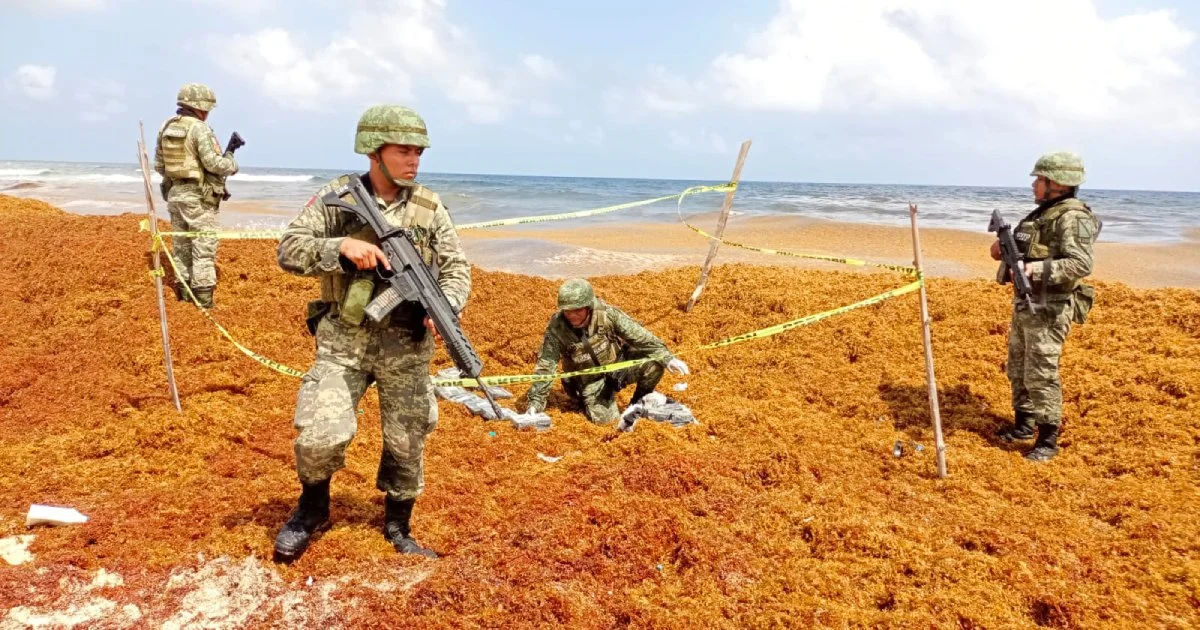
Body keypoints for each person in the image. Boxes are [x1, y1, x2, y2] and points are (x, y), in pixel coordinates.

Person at [273, 104, 471, 562]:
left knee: (408, 438)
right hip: (344, 340)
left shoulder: (428, 206)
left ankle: (399, 524)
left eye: (418, 152)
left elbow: (457, 267)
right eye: (403, 151)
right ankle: (312, 508)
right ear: (373, 151)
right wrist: (340, 247)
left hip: (406, 346)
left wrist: (447, 306)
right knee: (321, 433)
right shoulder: (338, 196)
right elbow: (288, 249)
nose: (413, 161)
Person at [991, 151, 1100, 462]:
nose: (1034, 185)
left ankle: (1047, 441)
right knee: (1018, 367)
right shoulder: (1041, 215)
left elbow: (1080, 263)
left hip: (1050, 307)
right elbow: (1021, 249)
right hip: (1026, 304)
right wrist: (1001, 249)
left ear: (1059, 184)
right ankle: (1023, 425)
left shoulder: (1072, 216)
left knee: (1041, 372)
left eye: (1039, 180)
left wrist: (1032, 271)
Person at [523, 279, 689, 424]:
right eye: (567, 311)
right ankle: (589, 402)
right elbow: (546, 365)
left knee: (654, 364)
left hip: (617, 367)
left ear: (589, 306)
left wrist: (667, 358)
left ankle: (638, 402)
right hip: (589, 382)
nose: (572, 316)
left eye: (578, 310)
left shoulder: (608, 315)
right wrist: (535, 403)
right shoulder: (557, 329)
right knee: (607, 422)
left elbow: (640, 337)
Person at [153, 82, 239, 308]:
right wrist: (231, 163)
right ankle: (203, 304)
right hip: (199, 198)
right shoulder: (199, 129)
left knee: (181, 249)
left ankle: (183, 299)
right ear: (201, 107)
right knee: (203, 250)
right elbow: (213, 163)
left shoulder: (166, 127)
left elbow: (159, 166)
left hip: (175, 196)